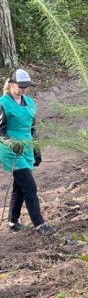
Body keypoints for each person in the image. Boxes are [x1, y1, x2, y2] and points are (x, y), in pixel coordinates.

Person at [0, 68, 54, 235]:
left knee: (20, 186)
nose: (24, 89)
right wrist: (11, 144)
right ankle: (39, 224)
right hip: (11, 150)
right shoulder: (3, 103)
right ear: (11, 84)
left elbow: (32, 129)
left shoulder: (29, 102)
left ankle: (12, 221)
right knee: (30, 187)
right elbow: (0, 131)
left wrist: (37, 150)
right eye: (21, 86)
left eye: (26, 86)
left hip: (27, 147)